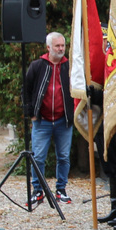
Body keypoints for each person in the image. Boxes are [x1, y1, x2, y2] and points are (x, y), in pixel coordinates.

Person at [24, 31, 74, 206]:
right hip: (42, 120)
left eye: (62, 45)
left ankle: (61, 189)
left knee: (63, 156)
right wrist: (31, 113)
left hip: (63, 120)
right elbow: (27, 90)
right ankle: (38, 191)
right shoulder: (38, 65)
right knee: (38, 157)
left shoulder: (69, 66)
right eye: (57, 46)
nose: (61, 49)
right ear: (48, 47)